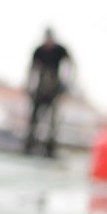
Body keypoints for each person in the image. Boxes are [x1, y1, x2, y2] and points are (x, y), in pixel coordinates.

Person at [22, 27, 75, 157]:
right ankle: (29, 146)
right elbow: (32, 69)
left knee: (53, 121)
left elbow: (71, 65)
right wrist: (29, 86)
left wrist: (68, 83)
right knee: (34, 118)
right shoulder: (39, 50)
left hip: (54, 88)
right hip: (40, 88)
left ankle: (50, 148)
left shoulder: (60, 50)